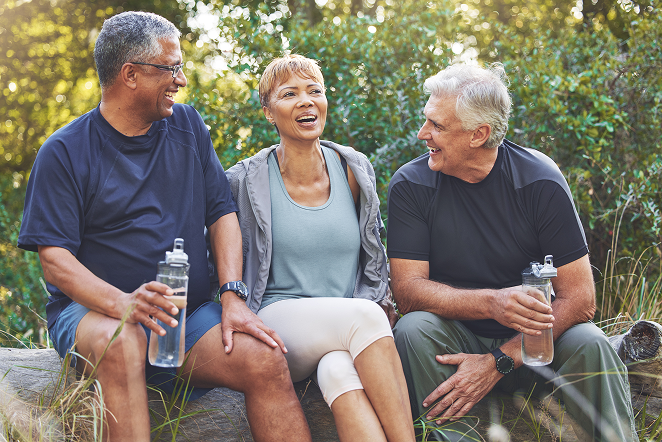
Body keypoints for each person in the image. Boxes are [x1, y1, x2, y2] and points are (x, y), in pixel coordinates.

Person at [17, 12, 311, 442]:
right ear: (130, 74)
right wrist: (123, 305)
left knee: (263, 357)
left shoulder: (187, 126)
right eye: (170, 68)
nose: (181, 79)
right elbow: (55, 262)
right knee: (122, 343)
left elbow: (221, 212)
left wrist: (232, 295)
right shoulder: (63, 151)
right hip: (95, 314)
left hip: (187, 318)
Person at [387, 63, 638, 442]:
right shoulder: (411, 184)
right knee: (412, 329)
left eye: (437, 126)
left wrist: (499, 361)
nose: (423, 134)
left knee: (591, 342)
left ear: (479, 134)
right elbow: (407, 291)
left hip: (535, 345)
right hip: (455, 343)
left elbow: (581, 299)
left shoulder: (540, 180)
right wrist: (492, 303)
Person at [223, 54, 415, 442]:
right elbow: (222, 256)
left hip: (344, 330)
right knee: (366, 317)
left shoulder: (353, 168)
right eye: (290, 94)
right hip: (279, 323)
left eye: (315, 91)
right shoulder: (244, 181)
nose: (307, 101)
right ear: (268, 113)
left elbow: (373, 254)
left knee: (337, 371)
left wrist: (377, 296)